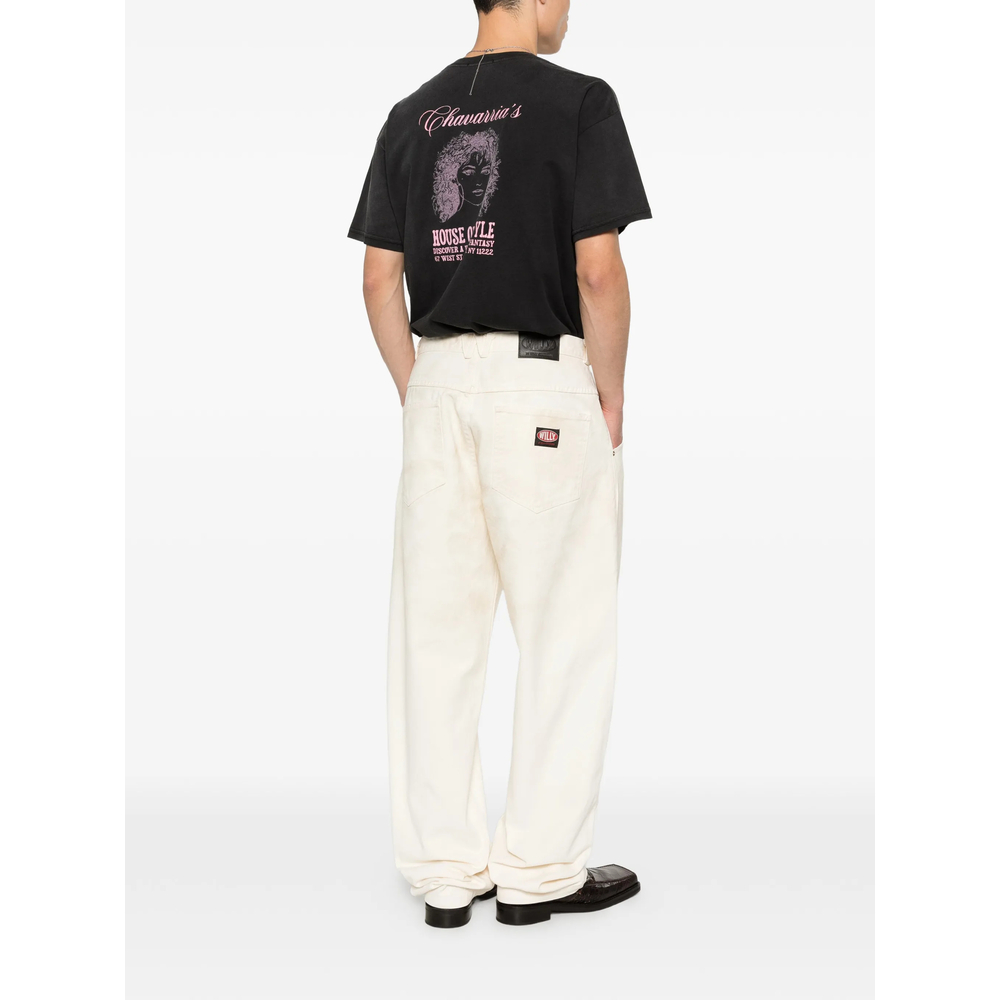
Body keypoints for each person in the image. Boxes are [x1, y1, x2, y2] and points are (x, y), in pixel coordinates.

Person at [348, 0, 651, 928]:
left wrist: (420, 387)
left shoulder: (410, 114)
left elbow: (378, 279)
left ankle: (445, 875)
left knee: (434, 638)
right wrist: (609, 391)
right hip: (542, 381)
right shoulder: (579, 102)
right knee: (563, 631)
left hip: (438, 382)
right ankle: (538, 872)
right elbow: (597, 270)